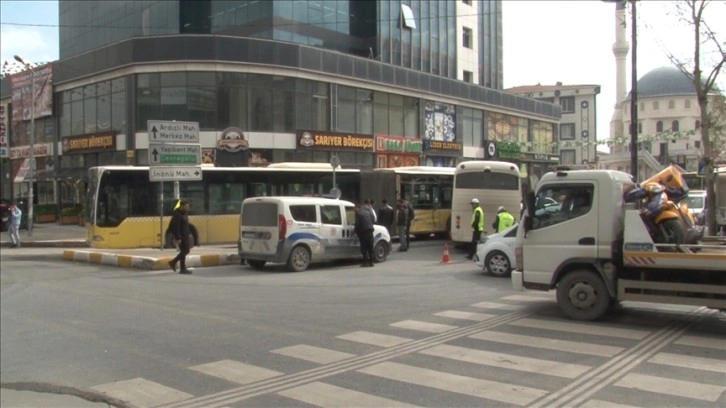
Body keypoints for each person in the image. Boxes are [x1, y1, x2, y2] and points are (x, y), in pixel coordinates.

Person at [168, 199, 193, 274]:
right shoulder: (177, 215)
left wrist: (189, 233)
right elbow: (176, 227)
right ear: (182, 206)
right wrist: (178, 237)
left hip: (185, 235)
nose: (188, 208)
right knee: (185, 251)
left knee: (185, 251)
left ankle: (179, 266)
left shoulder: (184, 213)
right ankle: (175, 263)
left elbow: (186, 225)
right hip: (181, 236)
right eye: (186, 206)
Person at [354, 202, 375, 267]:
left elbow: (357, 224)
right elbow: (372, 220)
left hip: (364, 232)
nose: (354, 210)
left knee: (364, 248)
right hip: (370, 230)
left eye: (355, 209)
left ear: (358, 208)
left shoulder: (359, 214)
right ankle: (371, 262)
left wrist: (355, 231)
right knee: (370, 247)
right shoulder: (367, 212)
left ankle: (365, 262)